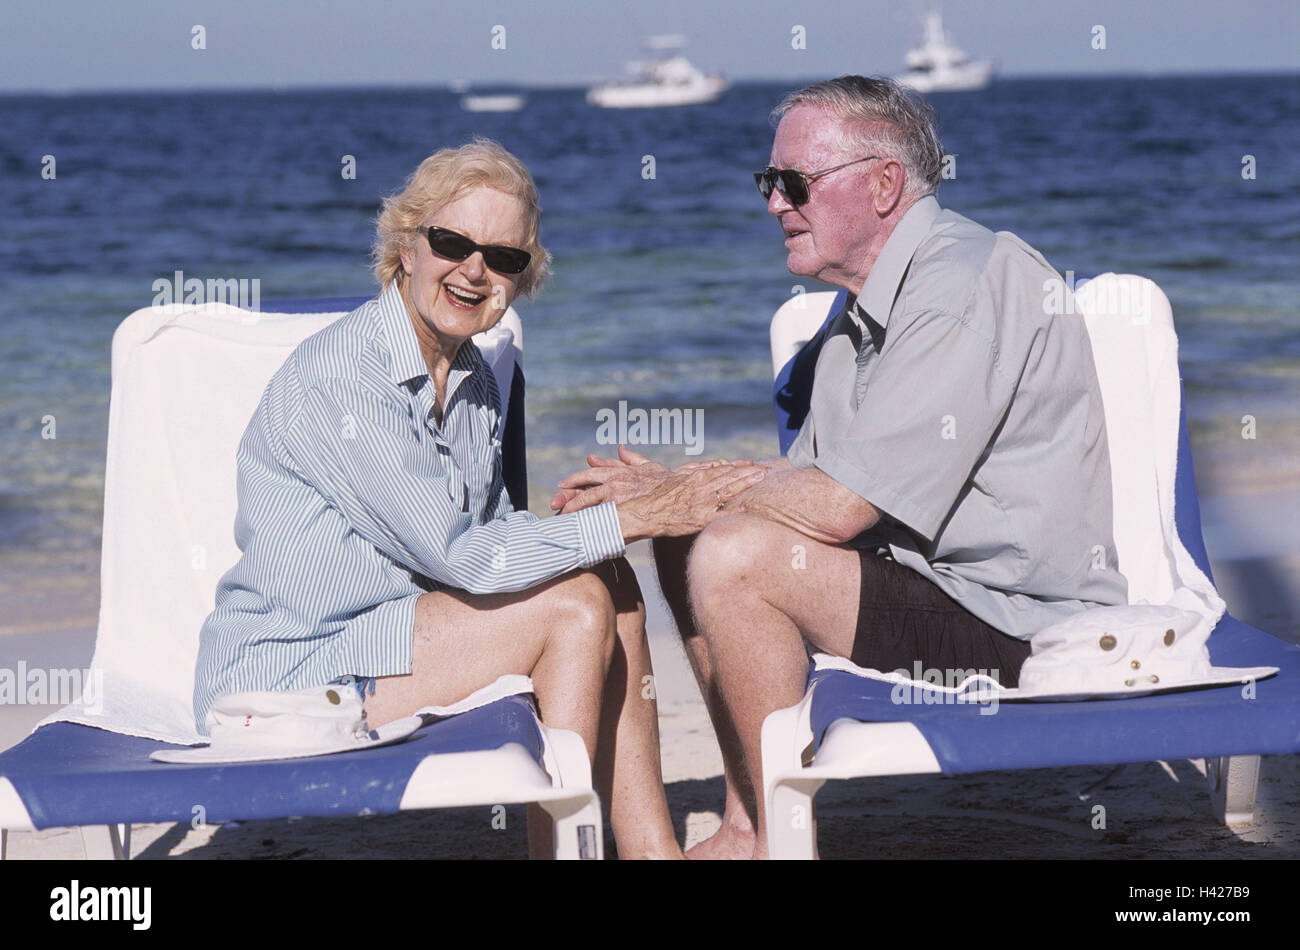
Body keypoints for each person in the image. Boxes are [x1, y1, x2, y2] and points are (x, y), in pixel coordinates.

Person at [553, 77, 1129, 859]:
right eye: (769, 182)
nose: (773, 204)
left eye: (793, 183)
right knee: (694, 537)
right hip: (930, 584)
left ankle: (782, 844)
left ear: (884, 183)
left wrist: (685, 494)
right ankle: (752, 821)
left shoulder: (962, 283)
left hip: (1018, 622)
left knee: (729, 552)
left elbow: (838, 508)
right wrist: (674, 498)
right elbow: (812, 491)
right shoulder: (856, 319)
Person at [193, 139, 765, 859]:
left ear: (522, 279)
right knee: (577, 602)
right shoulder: (342, 380)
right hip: (287, 675)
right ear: (407, 248)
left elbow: (486, 540)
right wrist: (640, 515)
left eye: (503, 257)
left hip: (389, 636)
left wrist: (598, 521)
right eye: (453, 242)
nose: (475, 270)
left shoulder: (473, 379)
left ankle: (652, 854)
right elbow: (463, 558)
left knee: (609, 581)